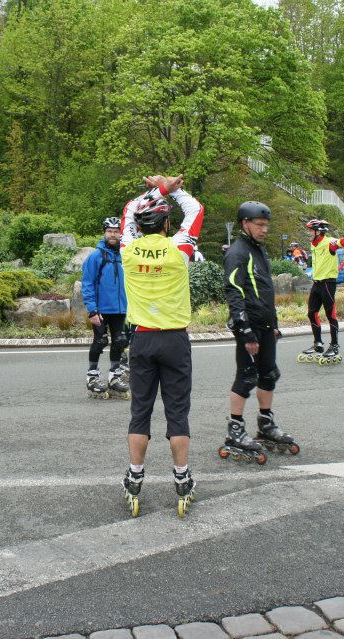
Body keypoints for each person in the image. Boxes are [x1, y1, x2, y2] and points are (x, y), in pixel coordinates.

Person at [118, 173, 203, 518]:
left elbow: (128, 208)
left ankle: (135, 478)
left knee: (140, 412)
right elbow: (195, 208)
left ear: (139, 224)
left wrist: (158, 188)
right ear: (167, 223)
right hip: (175, 339)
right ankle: (182, 480)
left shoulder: (126, 249)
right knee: (177, 413)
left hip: (142, 337)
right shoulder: (180, 247)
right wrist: (175, 187)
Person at [221, 201, 299, 464]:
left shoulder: (259, 251)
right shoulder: (237, 252)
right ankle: (235, 429)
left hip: (265, 325)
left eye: (266, 225)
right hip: (250, 326)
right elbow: (234, 293)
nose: (264, 230)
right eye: (259, 225)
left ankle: (265, 423)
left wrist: (274, 323)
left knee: (269, 374)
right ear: (245, 224)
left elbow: (267, 291)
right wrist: (245, 333)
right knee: (246, 377)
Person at [298, 219, 344, 364]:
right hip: (316, 284)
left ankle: (334, 345)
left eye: (311, 230)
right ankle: (318, 344)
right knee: (312, 313)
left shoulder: (330, 242)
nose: (309, 233)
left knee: (331, 315)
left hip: (328, 284)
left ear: (318, 232)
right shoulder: (313, 244)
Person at [81, 216, 129, 399]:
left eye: (116, 231)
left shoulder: (125, 255)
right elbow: (87, 283)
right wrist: (92, 310)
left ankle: (115, 375)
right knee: (100, 341)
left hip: (120, 309)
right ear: (104, 232)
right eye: (110, 231)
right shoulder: (96, 255)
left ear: (120, 233)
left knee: (120, 341)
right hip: (101, 309)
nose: (113, 234)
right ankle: (92, 375)